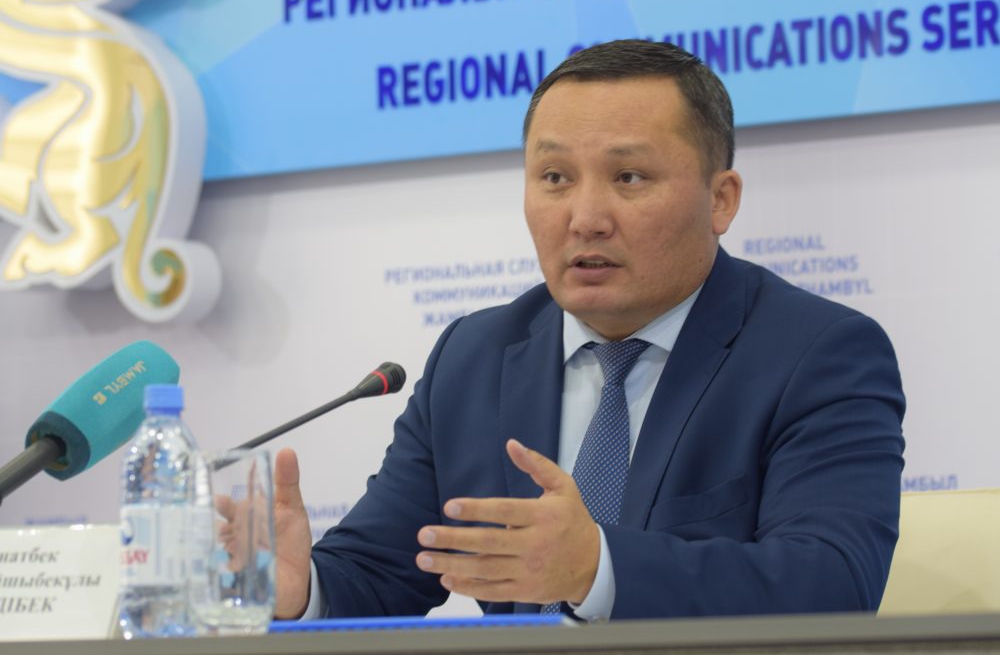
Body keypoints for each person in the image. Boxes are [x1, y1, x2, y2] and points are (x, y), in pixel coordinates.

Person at [272, 40, 905, 621]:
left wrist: (598, 570)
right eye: (555, 178)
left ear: (721, 200)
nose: (585, 218)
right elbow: (381, 571)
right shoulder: (475, 356)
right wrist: (298, 591)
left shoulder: (817, 353)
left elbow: (832, 583)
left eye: (629, 178)